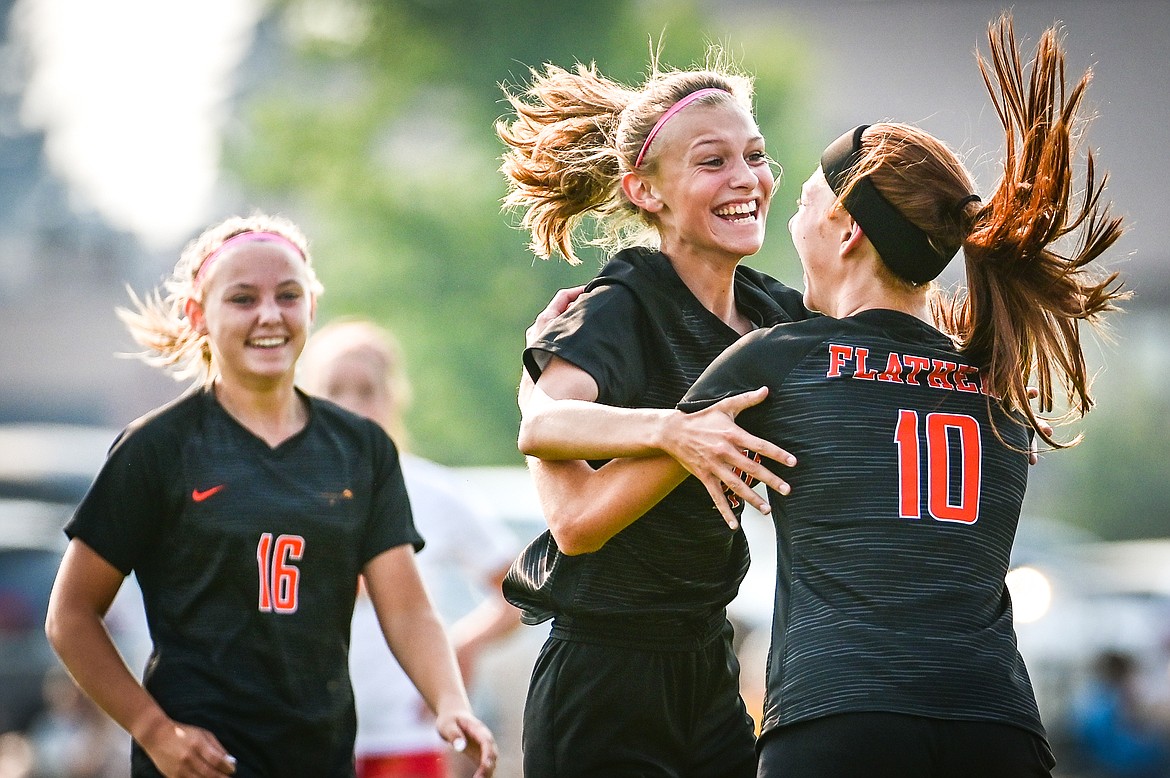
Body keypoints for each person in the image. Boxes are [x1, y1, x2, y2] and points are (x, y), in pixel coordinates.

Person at [544, 15, 1127, 778]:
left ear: (848, 229)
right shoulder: (997, 383)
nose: (783, 207)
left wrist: (544, 381)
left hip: (841, 721)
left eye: (807, 200)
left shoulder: (782, 358)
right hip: (1001, 731)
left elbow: (579, 520)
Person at [44, 214, 497, 778]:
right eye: (242, 298)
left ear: (311, 305)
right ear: (198, 314)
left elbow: (405, 606)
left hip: (321, 758)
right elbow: (71, 614)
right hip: (201, 764)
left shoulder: (360, 448)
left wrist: (451, 701)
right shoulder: (157, 447)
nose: (269, 315)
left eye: (288, 295)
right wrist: (154, 729)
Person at [496, 49, 810, 777]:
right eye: (712, 161)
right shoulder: (622, 304)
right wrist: (678, 431)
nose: (746, 179)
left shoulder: (775, 315)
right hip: (604, 671)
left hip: (708, 660)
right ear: (647, 191)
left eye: (755, 156)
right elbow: (542, 428)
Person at [298, 319, 521, 778]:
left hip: (407, 738)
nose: (351, 405)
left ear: (395, 395)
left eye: (366, 389)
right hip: (304, 735)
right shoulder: (284, 493)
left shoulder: (432, 492)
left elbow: (518, 592)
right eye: (333, 389)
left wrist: (460, 648)